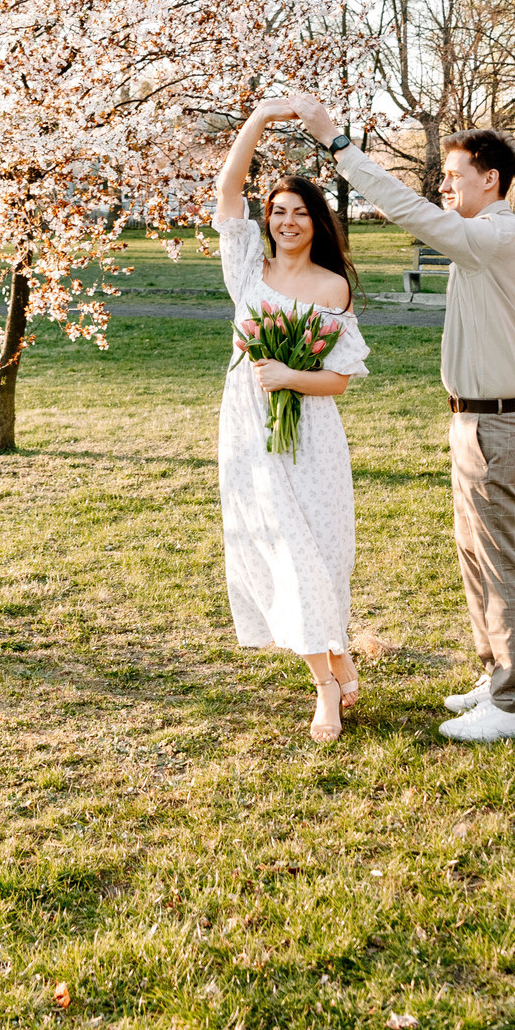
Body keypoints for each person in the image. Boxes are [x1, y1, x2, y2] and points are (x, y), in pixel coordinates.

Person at [283, 91, 515, 743]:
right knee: (475, 556)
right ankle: (495, 677)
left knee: (503, 562)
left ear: (492, 178)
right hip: (472, 420)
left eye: (453, 176)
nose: (443, 187)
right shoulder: (479, 243)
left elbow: (409, 210)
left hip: (498, 422)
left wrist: (339, 144)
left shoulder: (497, 234)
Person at [212, 98, 372, 742]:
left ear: (318, 221)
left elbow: (338, 380)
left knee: (323, 554)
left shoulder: (333, 288)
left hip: (311, 432)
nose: (284, 222)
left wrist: (288, 377)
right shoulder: (250, 267)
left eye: (298, 213)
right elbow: (228, 192)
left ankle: (339, 654)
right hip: (251, 429)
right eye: (276, 212)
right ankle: (326, 686)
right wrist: (260, 121)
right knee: (285, 551)